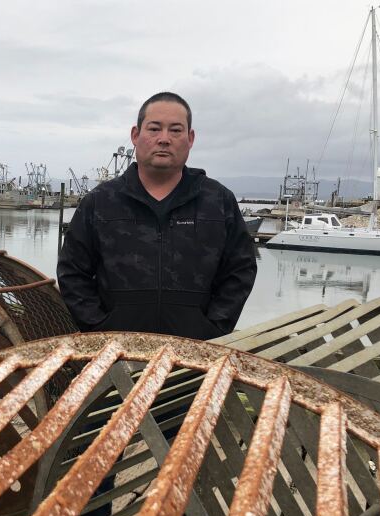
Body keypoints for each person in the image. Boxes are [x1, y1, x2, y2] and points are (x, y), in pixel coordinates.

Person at [57, 92, 257, 340]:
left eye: (175, 130)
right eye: (154, 129)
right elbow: (72, 272)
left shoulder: (218, 202)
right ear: (135, 135)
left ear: (190, 138)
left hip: (195, 354)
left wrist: (213, 329)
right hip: (116, 354)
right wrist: (99, 329)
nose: (164, 139)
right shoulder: (100, 202)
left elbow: (241, 270)